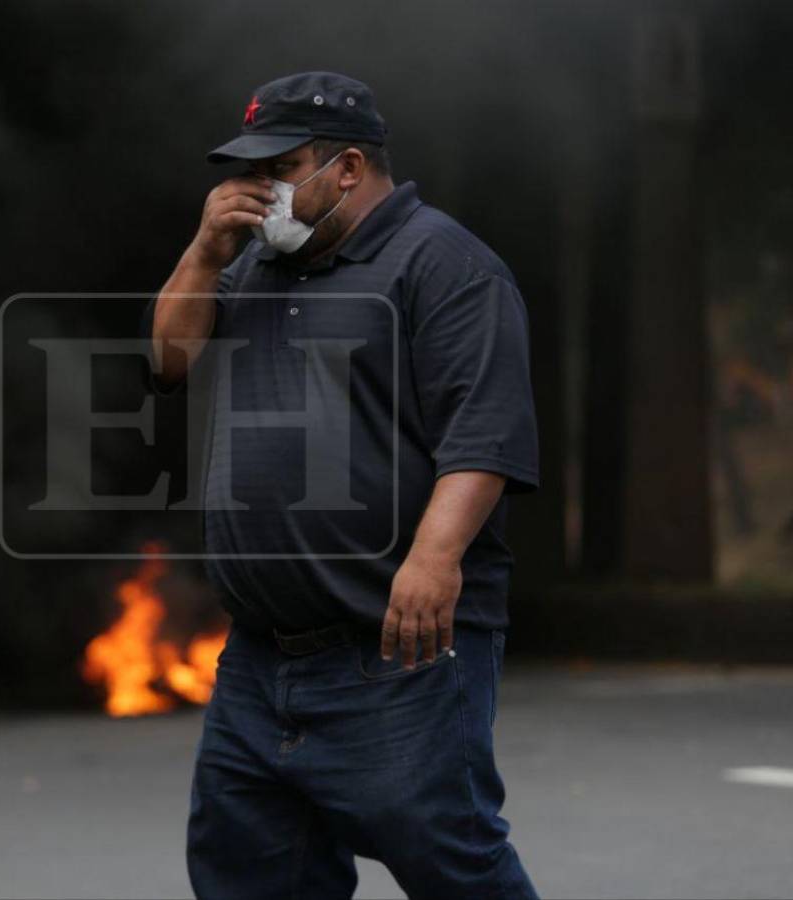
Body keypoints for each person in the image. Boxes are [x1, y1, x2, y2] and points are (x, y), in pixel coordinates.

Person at [148, 71, 540, 899]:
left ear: (350, 168)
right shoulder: (256, 265)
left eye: (280, 170)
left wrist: (434, 559)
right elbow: (170, 359)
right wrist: (205, 252)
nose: (258, 193)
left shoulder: (446, 265)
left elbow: (485, 434)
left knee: (450, 864)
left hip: (396, 650)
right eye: (249, 173)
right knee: (248, 873)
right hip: (259, 657)